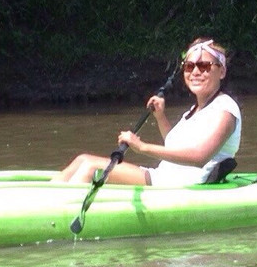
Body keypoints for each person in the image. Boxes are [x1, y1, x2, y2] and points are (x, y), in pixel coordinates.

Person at [58, 38, 241, 186]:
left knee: (90, 168)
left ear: (222, 71)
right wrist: (160, 117)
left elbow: (200, 157)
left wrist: (142, 147)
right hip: (164, 177)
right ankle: (42, 202)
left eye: (204, 66)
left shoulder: (225, 110)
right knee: (82, 159)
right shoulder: (194, 110)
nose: (195, 71)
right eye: (189, 66)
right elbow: (175, 146)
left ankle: (57, 215)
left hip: (178, 185)